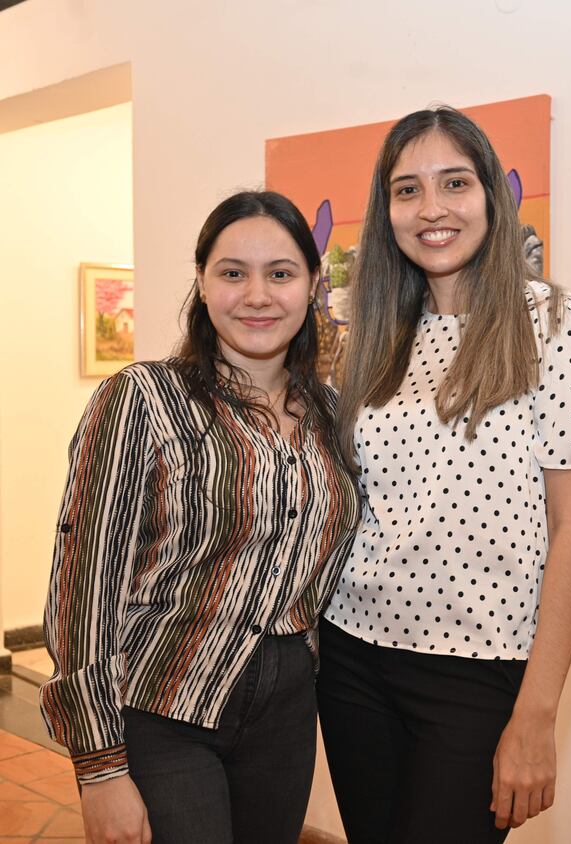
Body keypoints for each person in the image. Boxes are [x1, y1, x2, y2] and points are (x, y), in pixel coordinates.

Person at [316, 107, 571, 844]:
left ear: (490, 195)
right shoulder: (372, 338)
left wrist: (537, 716)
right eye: (407, 190)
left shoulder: (556, 325)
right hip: (352, 656)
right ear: (386, 212)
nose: (432, 209)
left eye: (454, 183)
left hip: (480, 671)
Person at [40, 190, 360, 844]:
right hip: (164, 708)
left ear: (311, 285)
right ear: (202, 283)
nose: (257, 295)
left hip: (287, 714)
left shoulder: (333, 416)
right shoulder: (142, 398)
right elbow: (82, 589)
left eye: (280, 273)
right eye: (233, 272)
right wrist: (99, 768)